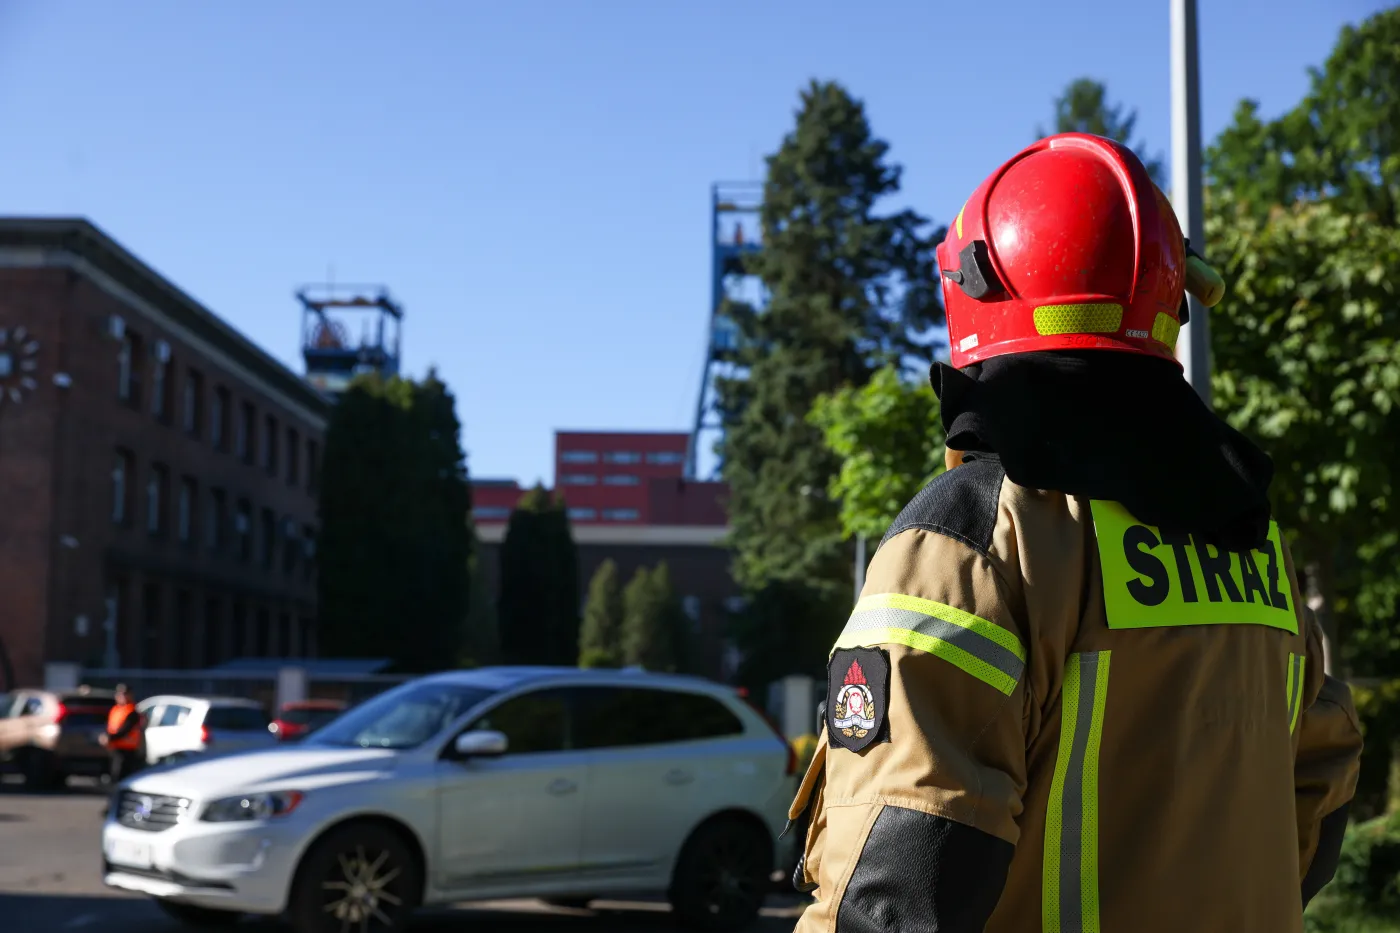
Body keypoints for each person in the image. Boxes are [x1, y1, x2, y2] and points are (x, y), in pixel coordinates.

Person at [788, 132, 1364, 932]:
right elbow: (1323, 782)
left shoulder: (970, 543)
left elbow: (894, 886)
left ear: (974, 290)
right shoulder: (1254, 541)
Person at [102, 684, 143, 785]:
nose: (122, 697)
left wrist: (110, 738)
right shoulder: (116, 709)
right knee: (114, 775)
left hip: (127, 749)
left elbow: (125, 729)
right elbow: (111, 726)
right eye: (120, 694)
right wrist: (106, 736)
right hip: (116, 747)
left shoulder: (132, 711)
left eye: (125, 694)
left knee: (122, 776)